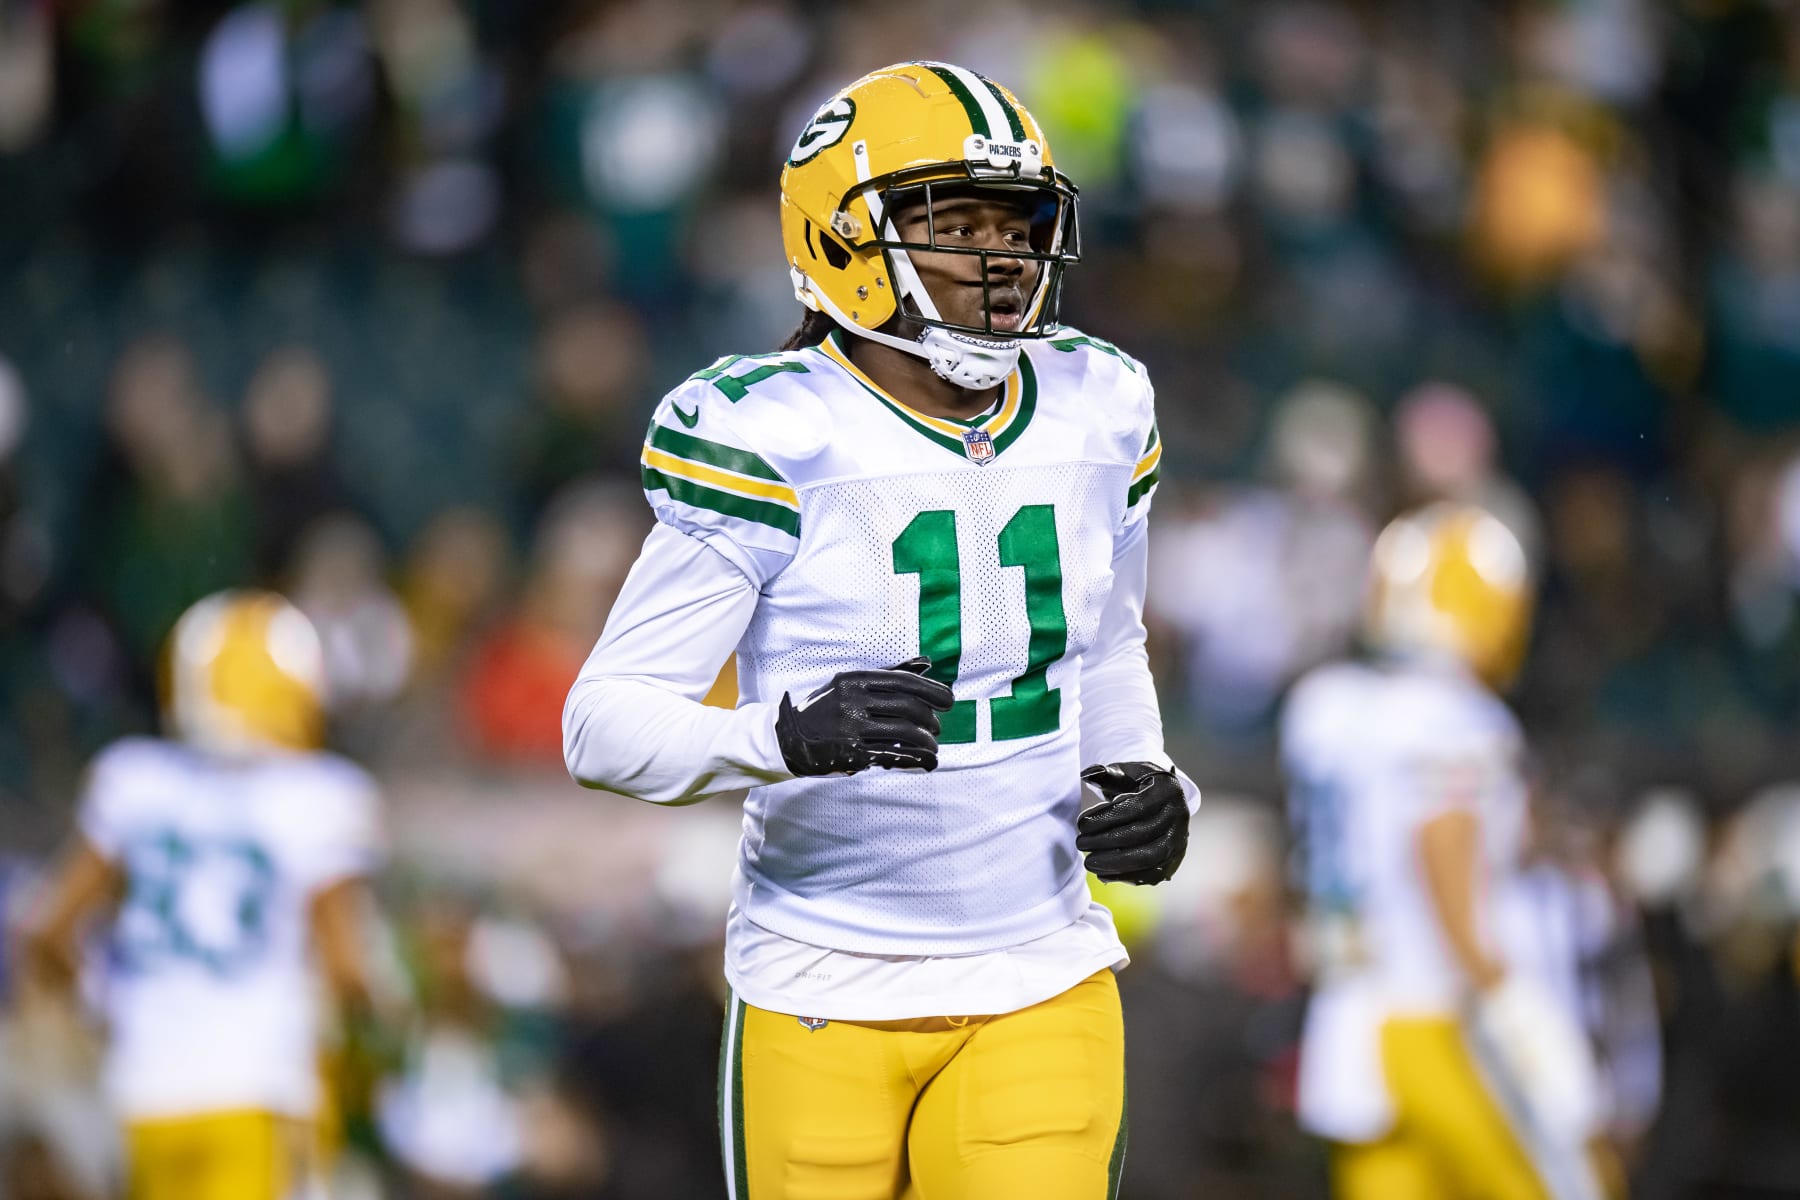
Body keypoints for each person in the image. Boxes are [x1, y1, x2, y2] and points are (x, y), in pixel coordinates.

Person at [563, 61, 1198, 1200]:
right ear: (846, 241)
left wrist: (1144, 776)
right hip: (823, 982)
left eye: (1016, 223)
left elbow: (1107, 644)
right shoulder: (778, 433)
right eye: (954, 224)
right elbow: (600, 728)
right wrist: (782, 736)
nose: (999, 260)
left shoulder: (1103, 404)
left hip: (1040, 967)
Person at [1280, 503, 1611, 1200]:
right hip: (1439, 1015)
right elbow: (1440, 849)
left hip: (1348, 1017)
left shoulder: (1325, 706)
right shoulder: (1456, 721)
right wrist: (1511, 1003)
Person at [21, 590, 384, 1200]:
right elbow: (348, 971)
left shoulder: (134, 780)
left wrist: (101, 1005)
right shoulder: (319, 798)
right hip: (257, 1087)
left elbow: (46, 932)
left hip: (147, 1092)